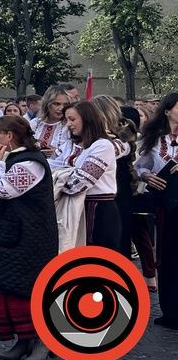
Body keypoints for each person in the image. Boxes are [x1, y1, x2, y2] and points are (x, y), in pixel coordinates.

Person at [0, 115, 56, 360]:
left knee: (28, 287)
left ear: (10, 136)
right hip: (11, 233)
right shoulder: (16, 159)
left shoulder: (31, 163)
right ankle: (23, 340)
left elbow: (4, 189)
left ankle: (42, 340)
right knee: (7, 286)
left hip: (31, 237)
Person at [136, 92, 178, 329]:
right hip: (165, 203)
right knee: (167, 254)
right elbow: (141, 165)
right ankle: (170, 310)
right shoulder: (155, 138)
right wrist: (147, 176)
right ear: (167, 111)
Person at [56, 101, 119, 250]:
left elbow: (79, 183)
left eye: (72, 119)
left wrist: (59, 178)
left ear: (87, 119)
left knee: (97, 255)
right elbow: (51, 166)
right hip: (76, 207)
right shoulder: (70, 145)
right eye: (66, 120)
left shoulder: (103, 146)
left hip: (98, 209)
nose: (68, 124)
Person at [31, 85, 73, 168]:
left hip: (59, 169)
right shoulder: (35, 123)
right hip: (33, 165)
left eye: (65, 104)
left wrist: (57, 152)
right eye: (56, 104)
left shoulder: (69, 126)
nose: (61, 108)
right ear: (47, 104)